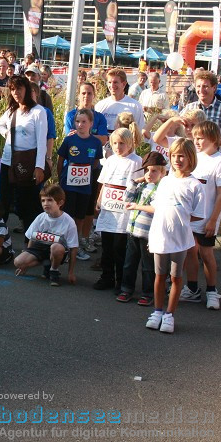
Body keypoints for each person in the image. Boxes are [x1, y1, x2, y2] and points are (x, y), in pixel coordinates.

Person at [145, 138, 204, 334]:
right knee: (159, 275)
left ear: (190, 158)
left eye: (182, 156)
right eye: (174, 155)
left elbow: (197, 213)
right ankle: (157, 311)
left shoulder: (195, 185)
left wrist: (180, 218)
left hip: (180, 239)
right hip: (160, 236)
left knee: (176, 277)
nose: (177, 160)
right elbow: (157, 207)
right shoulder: (165, 181)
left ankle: (170, 314)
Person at [179, 121, 221, 309]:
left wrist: (213, 219)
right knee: (190, 251)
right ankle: (192, 288)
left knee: (206, 253)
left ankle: (212, 290)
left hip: (208, 217)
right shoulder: (195, 158)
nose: (197, 141)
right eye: (195, 137)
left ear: (213, 139)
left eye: (201, 138)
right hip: (191, 216)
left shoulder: (220, 161)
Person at [0, 75, 48, 228]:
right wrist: (7, 134)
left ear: (26, 89)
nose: (15, 92)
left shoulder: (38, 112)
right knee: (4, 200)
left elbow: (41, 140)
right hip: (8, 161)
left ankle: (28, 239)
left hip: (27, 163)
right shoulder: (12, 110)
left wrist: (39, 167)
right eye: (12, 89)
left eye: (19, 88)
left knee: (27, 202)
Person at [94, 128, 142, 291]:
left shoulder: (136, 161)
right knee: (106, 247)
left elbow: (138, 186)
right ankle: (107, 276)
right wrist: (99, 201)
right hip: (108, 208)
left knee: (119, 248)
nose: (118, 147)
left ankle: (121, 280)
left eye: (122, 143)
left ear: (129, 144)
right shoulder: (110, 160)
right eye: (115, 143)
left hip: (123, 212)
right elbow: (104, 183)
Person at [119, 151, 166, 305]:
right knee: (129, 263)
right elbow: (127, 198)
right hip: (133, 231)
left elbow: (156, 208)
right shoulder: (141, 186)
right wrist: (135, 182)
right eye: (147, 170)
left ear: (162, 172)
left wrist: (138, 206)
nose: (149, 174)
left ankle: (148, 293)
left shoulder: (161, 189)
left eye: (154, 171)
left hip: (148, 233)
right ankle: (126, 289)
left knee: (148, 266)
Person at [56, 108, 103, 262]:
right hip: (68, 186)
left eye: (84, 122)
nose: (80, 125)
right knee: (67, 215)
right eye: (77, 121)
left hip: (85, 186)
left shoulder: (95, 142)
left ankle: (76, 246)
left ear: (91, 123)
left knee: (80, 216)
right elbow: (60, 159)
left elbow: (96, 162)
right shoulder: (69, 140)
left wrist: (85, 172)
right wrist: (61, 178)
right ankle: (63, 245)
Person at [13, 185, 79, 286]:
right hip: (41, 248)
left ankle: (54, 270)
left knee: (55, 247)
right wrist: (25, 264)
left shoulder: (69, 221)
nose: (46, 203)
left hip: (58, 250)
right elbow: (32, 237)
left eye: (50, 200)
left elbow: (73, 248)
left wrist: (71, 273)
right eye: (43, 200)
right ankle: (46, 262)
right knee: (18, 262)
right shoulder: (40, 218)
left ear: (60, 203)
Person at [184, 69, 221, 149]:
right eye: (198, 86)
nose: (201, 90)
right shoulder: (189, 108)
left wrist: (211, 142)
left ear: (214, 88)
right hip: (192, 157)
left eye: (205, 86)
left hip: (214, 156)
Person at [95, 68, 145, 134]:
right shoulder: (100, 105)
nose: (112, 86)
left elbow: (139, 131)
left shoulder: (135, 106)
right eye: (109, 82)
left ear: (124, 84)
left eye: (115, 82)